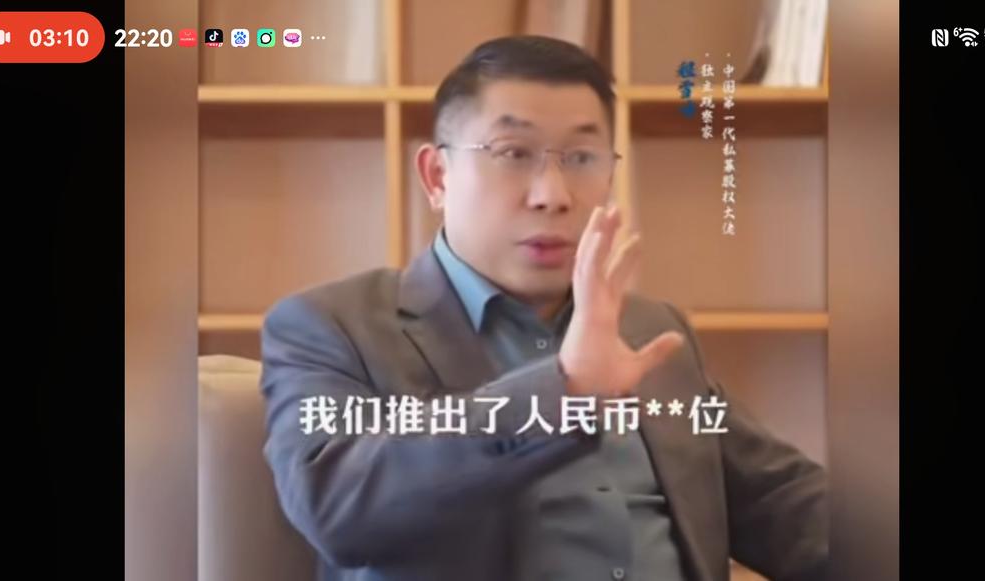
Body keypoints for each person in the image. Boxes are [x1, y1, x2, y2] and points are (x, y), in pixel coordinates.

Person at [260, 35, 827, 581]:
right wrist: (567, 389)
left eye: (582, 157)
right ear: (437, 176)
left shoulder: (651, 330)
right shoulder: (331, 326)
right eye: (512, 153)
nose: (552, 195)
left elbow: (784, 503)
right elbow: (337, 505)